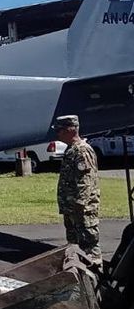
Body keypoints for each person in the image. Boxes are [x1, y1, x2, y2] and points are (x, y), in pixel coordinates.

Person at [54, 115, 102, 270]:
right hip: (72, 210)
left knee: (90, 250)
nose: (58, 134)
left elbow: (85, 183)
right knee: (76, 249)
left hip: (82, 212)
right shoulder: (71, 150)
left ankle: (98, 284)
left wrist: (78, 206)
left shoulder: (82, 151)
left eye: (60, 130)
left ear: (70, 130)